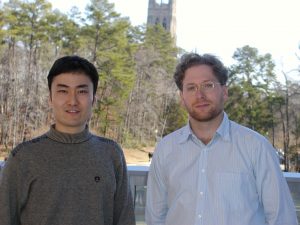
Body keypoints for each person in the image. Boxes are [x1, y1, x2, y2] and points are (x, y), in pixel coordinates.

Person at [145, 53, 298, 225]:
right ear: (182, 97)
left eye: (208, 85)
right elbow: (155, 218)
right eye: (191, 88)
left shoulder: (256, 147)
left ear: (224, 92)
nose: (200, 95)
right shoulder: (166, 149)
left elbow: (282, 218)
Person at [0, 56, 135, 225]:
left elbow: (125, 219)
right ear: (50, 98)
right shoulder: (23, 158)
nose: (72, 101)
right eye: (63, 91)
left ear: (93, 98)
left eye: (82, 91)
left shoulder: (111, 154)